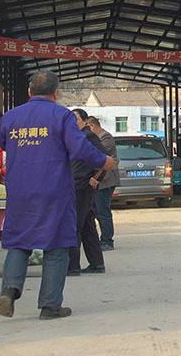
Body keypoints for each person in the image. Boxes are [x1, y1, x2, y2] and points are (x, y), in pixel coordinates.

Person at [0, 71, 113, 320]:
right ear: (55, 93)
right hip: (54, 190)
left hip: (19, 191)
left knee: (19, 242)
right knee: (57, 244)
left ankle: (9, 290)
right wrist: (104, 160)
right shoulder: (61, 116)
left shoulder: (10, 117)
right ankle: (50, 306)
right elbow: (79, 148)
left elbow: (4, 144)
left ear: (29, 92)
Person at [68, 108, 108, 276]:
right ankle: (97, 264)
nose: (73, 122)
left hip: (82, 186)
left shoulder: (88, 136)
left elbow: (105, 158)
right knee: (87, 226)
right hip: (77, 184)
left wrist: (96, 177)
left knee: (75, 225)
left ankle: (72, 267)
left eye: (76, 119)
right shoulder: (76, 137)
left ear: (84, 121)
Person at [86, 116, 118, 251]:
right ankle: (100, 239)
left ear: (92, 126)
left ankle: (107, 240)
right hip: (96, 179)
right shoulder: (96, 137)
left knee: (102, 211)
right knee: (94, 211)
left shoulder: (106, 138)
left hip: (104, 180)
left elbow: (98, 155)